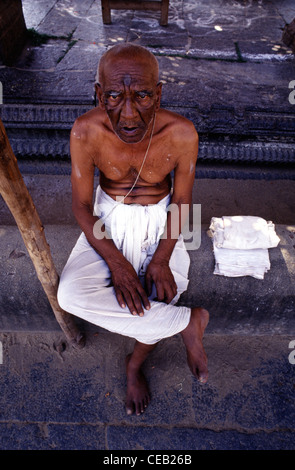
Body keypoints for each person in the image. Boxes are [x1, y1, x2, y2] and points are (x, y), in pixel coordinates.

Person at [57, 43, 209, 416]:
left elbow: (183, 202)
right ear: (98, 94)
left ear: (158, 94)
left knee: (159, 294)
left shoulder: (182, 133)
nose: (127, 113)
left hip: (163, 222)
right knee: (70, 295)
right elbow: (80, 206)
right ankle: (189, 321)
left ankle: (134, 366)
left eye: (141, 96)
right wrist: (118, 264)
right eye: (113, 96)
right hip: (107, 222)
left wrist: (161, 257)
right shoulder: (85, 131)